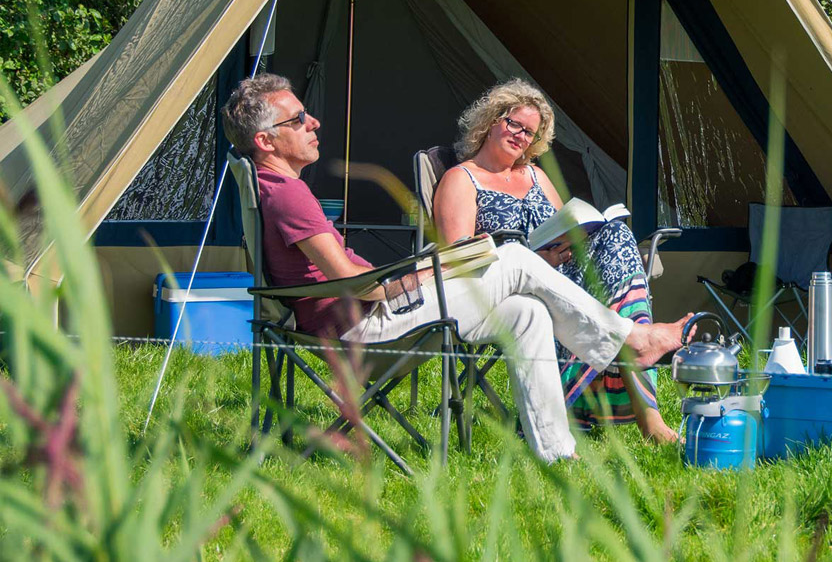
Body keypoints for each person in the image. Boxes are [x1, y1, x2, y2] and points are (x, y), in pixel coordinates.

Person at [220, 73, 686, 463]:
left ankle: (557, 452)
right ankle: (634, 340)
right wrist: (419, 275)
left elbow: (347, 276)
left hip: (365, 315)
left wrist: (416, 273)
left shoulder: (274, 187)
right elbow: (350, 280)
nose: (313, 122)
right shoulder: (289, 194)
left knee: (527, 313)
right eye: (298, 118)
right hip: (361, 333)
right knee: (516, 258)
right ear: (266, 140)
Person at [433, 79, 678, 443]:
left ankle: (646, 413)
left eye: (529, 133)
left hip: (562, 272)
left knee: (617, 235)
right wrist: (534, 261)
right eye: (513, 123)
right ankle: (646, 408)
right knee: (608, 297)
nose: (520, 136)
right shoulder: (461, 179)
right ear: (490, 121)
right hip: (509, 286)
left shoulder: (535, 175)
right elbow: (459, 259)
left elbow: (566, 225)